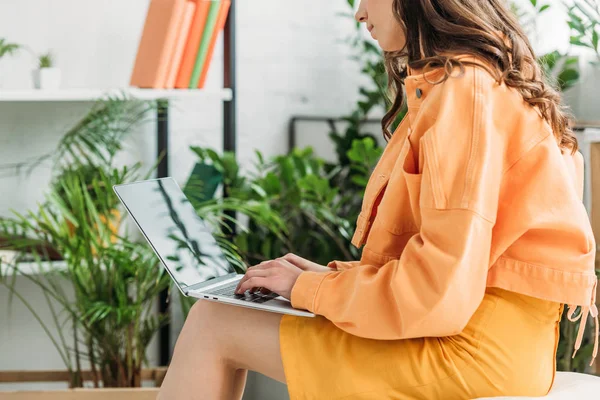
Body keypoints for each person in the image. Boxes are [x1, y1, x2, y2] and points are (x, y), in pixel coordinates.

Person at [158, 0, 599, 398]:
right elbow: (458, 271)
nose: (359, 13)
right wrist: (320, 281)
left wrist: (311, 289)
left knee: (213, 324)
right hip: (493, 346)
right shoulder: (477, 80)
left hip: (466, 355)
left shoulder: (465, 91)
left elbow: (439, 294)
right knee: (220, 317)